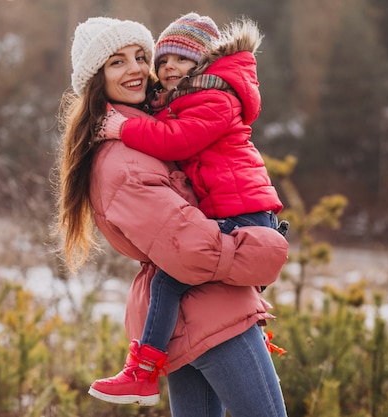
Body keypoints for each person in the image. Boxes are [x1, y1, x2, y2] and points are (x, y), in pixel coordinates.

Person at [55, 15, 289, 417]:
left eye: (140, 56)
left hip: (193, 316)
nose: (137, 69)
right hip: (214, 315)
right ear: (96, 80)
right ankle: (140, 369)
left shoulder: (153, 129)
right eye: (116, 62)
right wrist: (255, 252)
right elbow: (187, 249)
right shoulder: (124, 155)